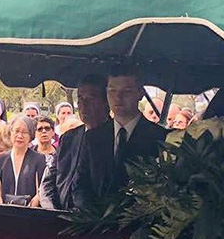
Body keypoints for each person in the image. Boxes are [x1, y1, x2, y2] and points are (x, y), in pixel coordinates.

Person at [71, 67, 168, 210]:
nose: (118, 97)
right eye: (112, 91)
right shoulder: (93, 137)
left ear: (140, 93)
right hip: (94, 224)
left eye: (126, 91)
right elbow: (80, 185)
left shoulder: (161, 137)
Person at [40, 74, 111, 211]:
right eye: (80, 98)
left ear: (106, 101)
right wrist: (51, 211)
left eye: (91, 98)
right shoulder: (68, 138)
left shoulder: (115, 137)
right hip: (58, 216)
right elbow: (49, 180)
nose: (83, 105)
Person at [0, 115, 46, 206]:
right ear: (10, 133)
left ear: (31, 135)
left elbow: (40, 192)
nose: (20, 136)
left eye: (24, 132)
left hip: (30, 213)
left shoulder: (39, 159)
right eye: (16, 131)